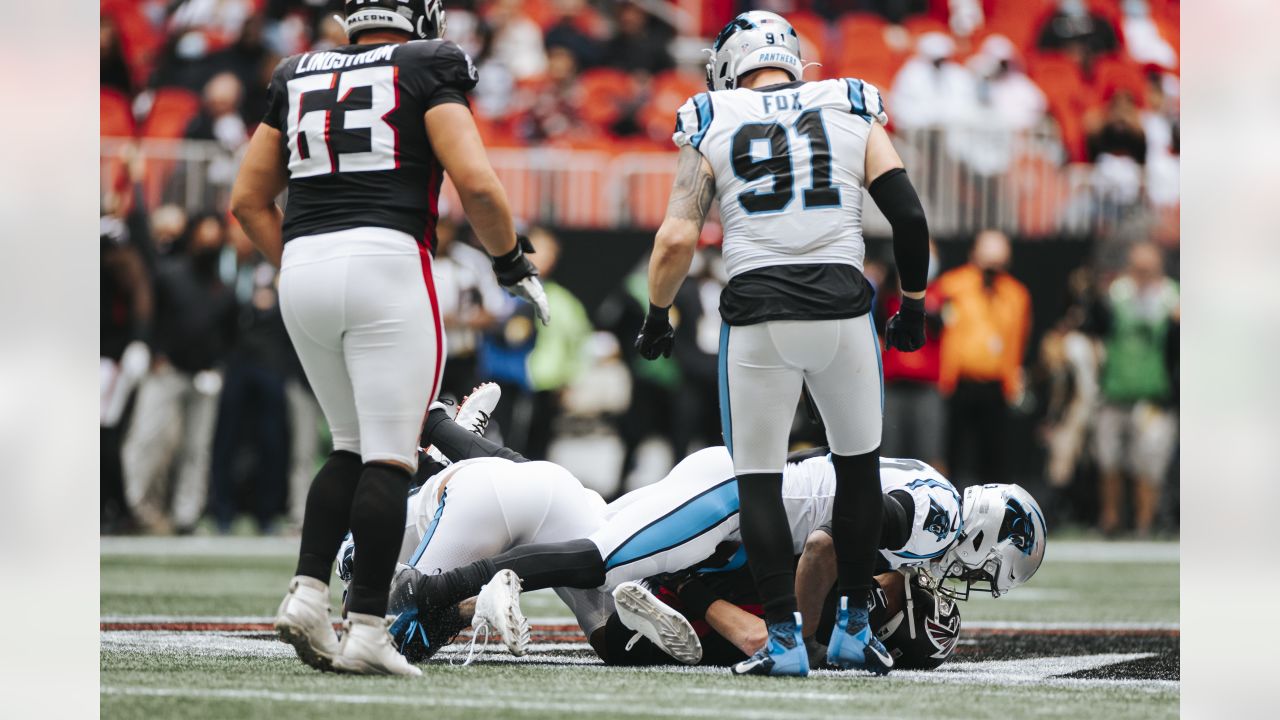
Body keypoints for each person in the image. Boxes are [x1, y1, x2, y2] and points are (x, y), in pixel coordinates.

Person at [230, 0, 549, 677]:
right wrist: (510, 262)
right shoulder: (427, 60)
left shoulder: (297, 70)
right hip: (387, 263)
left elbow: (246, 200)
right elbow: (478, 186)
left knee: (348, 445)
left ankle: (308, 592)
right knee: (389, 454)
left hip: (305, 265)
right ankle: (368, 626)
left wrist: (301, 271)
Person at [633, 10, 932, 677]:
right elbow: (909, 215)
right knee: (859, 469)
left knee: (760, 483)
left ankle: (785, 640)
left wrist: (658, 315)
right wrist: (911, 306)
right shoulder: (850, 101)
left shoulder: (712, 114)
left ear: (731, 61)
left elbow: (678, 237)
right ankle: (855, 627)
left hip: (758, 310)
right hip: (843, 307)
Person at [372, 386, 1043, 668]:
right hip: (732, 497)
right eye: (986, 570)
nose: (970, 581)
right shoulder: (938, 520)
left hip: (739, 500)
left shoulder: (933, 493)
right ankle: (428, 588)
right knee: (604, 561)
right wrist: (806, 636)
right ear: (985, 537)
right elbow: (829, 541)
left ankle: (439, 427)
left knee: (586, 520)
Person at [122, 212, 237, 535]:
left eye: (214, 238)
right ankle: (139, 507)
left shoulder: (223, 290)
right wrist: (152, 350)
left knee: (196, 449)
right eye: (204, 236)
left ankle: (186, 515)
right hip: (167, 371)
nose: (208, 243)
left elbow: (230, 336)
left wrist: (218, 366)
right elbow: (150, 315)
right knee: (150, 440)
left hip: (203, 378)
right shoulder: (170, 275)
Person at [1090, 243, 1178, 536]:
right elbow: (1096, 328)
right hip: (1115, 391)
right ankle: (1111, 520)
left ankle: (1144, 523)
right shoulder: (1117, 294)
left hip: (1152, 394)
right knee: (1109, 462)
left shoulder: (1170, 296)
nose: (1142, 276)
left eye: (1147, 270)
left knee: (1148, 465)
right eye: (1137, 269)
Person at [933, 229, 1031, 488]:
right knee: (949, 452)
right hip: (957, 383)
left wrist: (1012, 381)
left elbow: (1016, 342)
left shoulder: (1016, 295)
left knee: (994, 458)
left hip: (995, 385)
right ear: (974, 255)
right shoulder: (953, 285)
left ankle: (995, 514)